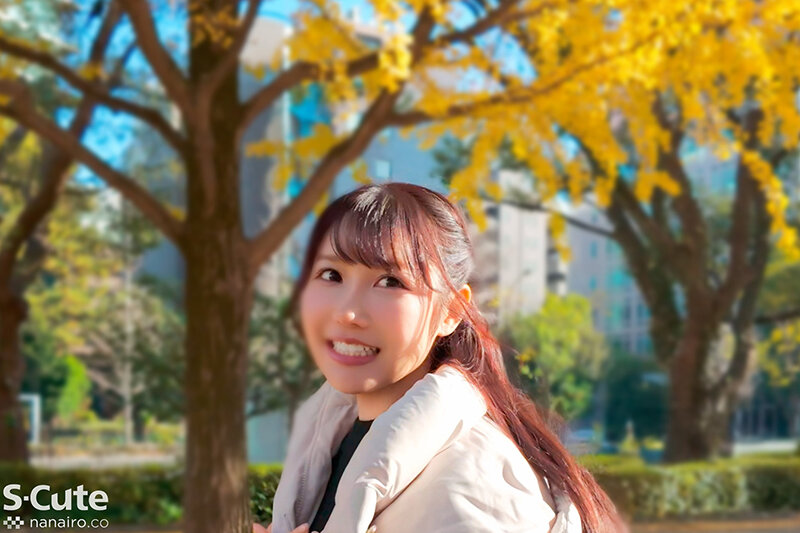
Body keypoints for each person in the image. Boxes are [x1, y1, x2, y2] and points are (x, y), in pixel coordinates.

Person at [254, 183, 627, 533]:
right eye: (331, 274)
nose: (347, 312)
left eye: (390, 282)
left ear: (450, 312)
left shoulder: (470, 496)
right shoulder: (330, 436)